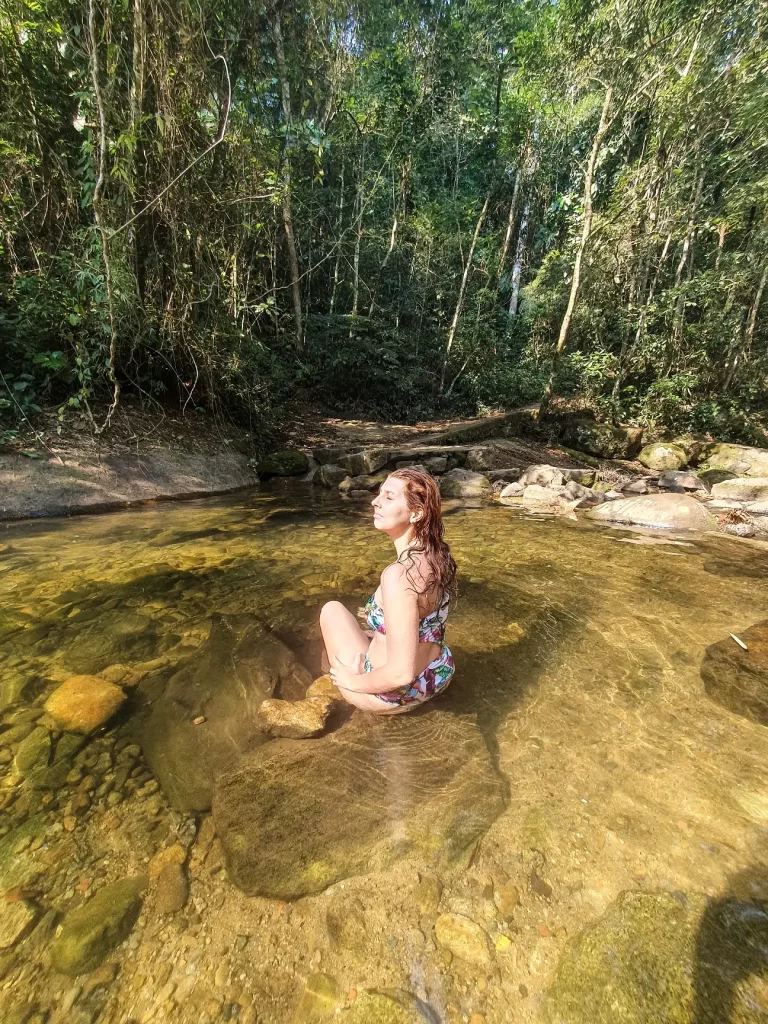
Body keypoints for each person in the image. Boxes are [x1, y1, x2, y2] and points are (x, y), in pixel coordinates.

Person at [319, 467, 457, 714]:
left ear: (416, 513)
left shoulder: (398, 575)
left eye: (388, 497)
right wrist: (383, 631)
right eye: (379, 493)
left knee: (331, 612)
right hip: (438, 672)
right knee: (356, 627)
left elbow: (401, 673)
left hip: (395, 695)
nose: (375, 501)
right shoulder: (438, 557)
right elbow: (424, 622)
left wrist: (352, 682)